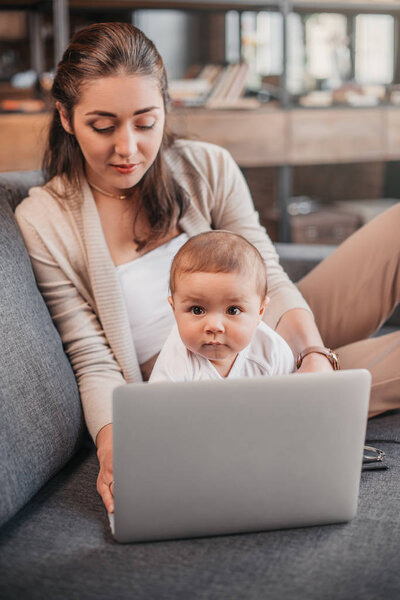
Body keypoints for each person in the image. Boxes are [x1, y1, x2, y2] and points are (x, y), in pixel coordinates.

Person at [14, 22, 400, 515]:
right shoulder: (45, 219)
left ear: (166, 109)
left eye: (145, 122)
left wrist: (312, 358)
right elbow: (90, 355)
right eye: (103, 125)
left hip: (265, 325)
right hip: (212, 387)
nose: (128, 148)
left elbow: (270, 277)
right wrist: (117, 442)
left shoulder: (207, 166)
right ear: (66, 118)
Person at [149, 231, 295, 382]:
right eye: (197, 310)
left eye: (233, 310)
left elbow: (291, 399)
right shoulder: (174, 363)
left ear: (260, 311)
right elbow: (160, 405)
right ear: (174, 310)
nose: (214, 326)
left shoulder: (272, 351)